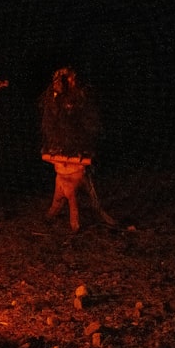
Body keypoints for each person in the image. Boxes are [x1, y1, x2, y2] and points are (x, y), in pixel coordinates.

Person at [39, 66, 116, 231]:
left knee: (75, 179)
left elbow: (91, 124)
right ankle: (59, 205)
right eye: (60, 78)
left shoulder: (82, 97)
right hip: (60, 147)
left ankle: (80, 210)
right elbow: (50, 124)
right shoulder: (53, 100)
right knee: (63, 179)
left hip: (78, 147)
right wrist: (56, 97)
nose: (64, 81)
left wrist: (82, 143)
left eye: (68, 78)